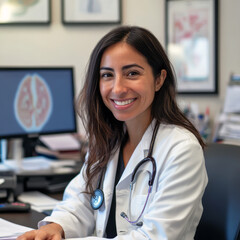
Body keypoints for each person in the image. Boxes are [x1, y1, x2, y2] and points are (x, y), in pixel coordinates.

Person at [17, 26, 208, 240]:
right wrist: (55, 226)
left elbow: (155, 236)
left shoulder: (181, 149)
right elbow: (81, 201)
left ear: (159, 79)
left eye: (132, 73)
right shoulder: (107, 140)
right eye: (107, 75)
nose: (117, 88)